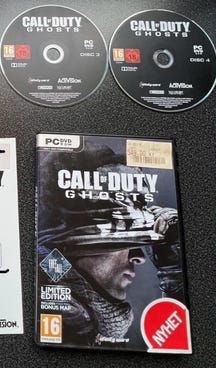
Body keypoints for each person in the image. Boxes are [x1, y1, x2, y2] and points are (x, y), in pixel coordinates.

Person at [38, 142, 184, 347]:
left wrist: (175, 283)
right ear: (69, 244)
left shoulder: (79, 323)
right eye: (121, 237)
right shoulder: (59, 326)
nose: (139, 257)